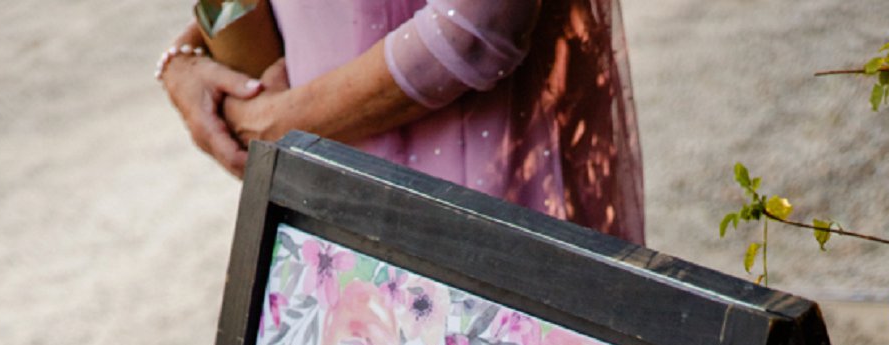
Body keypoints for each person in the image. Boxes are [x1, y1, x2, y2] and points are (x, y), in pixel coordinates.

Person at [156, 0, 644, 239]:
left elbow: (477, 23)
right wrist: (185, 59)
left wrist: (276, 124)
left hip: (472, 196)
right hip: (319, 203)